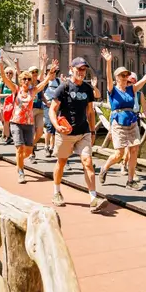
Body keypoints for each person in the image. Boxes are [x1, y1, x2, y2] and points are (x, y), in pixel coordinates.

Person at [98, 49, 146, 191]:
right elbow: (108, 77)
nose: (125, 77)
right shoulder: (112, 90)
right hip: (118, 123)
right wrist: (108, 62)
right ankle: (104, 168)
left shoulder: (131, 90)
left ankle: (130, 180)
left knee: (134, 150)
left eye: (127, 75)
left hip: (132, 122)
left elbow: (145, 79)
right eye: (122, 75)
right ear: (117, 77)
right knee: (119, 154)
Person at [49, 57, 108, 213]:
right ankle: (56, 192)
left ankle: (93, 198)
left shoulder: (87, 89)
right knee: (61, 162)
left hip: (83, 132)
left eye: (84, 69)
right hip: (66, 132)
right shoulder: (63, 88)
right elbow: (52, 110)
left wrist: (93, 130)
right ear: (71, 69)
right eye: (79, 69)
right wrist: (56, 126)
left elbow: (90, 111)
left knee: (87, 162)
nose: (82, 72)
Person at [0, 57, 59, 183]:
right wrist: (0, 65)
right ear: (21, 81)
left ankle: (19, 161)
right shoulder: (16, 89)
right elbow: (5, 79)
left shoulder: (33, 91)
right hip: (16, 122)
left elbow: (44, 83)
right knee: (19, 148)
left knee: (27, 150)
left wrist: (51, 72)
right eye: (24, 79)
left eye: (28, 79)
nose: (26, 81)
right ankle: (21, 171)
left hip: (28, 124)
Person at [42, 64, 62, 157]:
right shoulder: (45, 82)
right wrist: (46, 102)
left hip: (56, 106)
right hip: (47, 105)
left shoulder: (58, 81)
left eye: (54, 72)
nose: (52, 74)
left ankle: (52, 147)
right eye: (51, 72)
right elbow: (41, 93)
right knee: (49, 125)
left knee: (55, 127)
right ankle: (46, 146)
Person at [0, 67, 16, 145]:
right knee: (5, 121)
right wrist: (7, 95)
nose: (8, 74)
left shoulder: (14, 84)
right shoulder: (2, 84)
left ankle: (6, 135)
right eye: (7, 73)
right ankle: (7, 137)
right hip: (3, 104)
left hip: (12, 104)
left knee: (9, 121)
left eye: (10, 73)